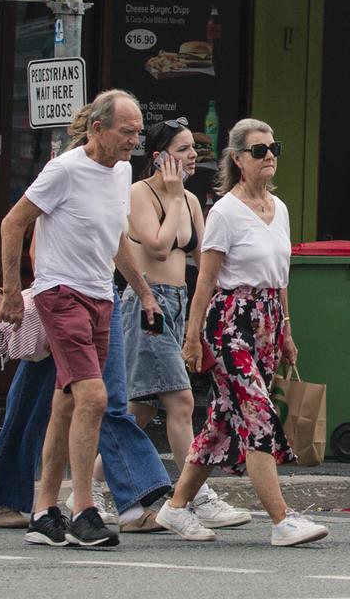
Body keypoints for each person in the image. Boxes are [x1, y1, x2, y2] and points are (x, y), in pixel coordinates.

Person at [0, 89, 168, 548]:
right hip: (61, 293)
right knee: (94, 397)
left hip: (100, 296)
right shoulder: (64, 170)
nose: (134, 141)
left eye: (138, 132)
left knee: (67, 403)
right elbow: (13, 223)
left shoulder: (123, 172)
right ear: (98, 129)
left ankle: (42, 510)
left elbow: (115, 239)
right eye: (125, 132)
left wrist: (145, 293)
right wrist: (14, 291)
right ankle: (83, 510)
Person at [154, 119, 328, 547]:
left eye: (274, 148)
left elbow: (280, 277)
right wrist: (192, 337)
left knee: (221, 423)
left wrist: (286, 330)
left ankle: (175, 509)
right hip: (230, 321)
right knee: (257, 414)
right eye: (258, 150)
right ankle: (281, 519)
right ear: (238, 159)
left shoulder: (280, 209)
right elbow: (206, 282)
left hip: (267, 318)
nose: (269, 155)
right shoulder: (225, 213)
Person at [122, 118, 251, 529]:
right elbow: (158, 247)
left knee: (137, 413)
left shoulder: (194, 201)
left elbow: (204, 259)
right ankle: (195, 496)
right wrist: (175, 195)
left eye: (193, 148)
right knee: (181, 402)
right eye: (181, 149)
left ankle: (82, 491)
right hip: (148, 304)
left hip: (178, 303)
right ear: (160, 157)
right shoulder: (139, 194)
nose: (192, 155)